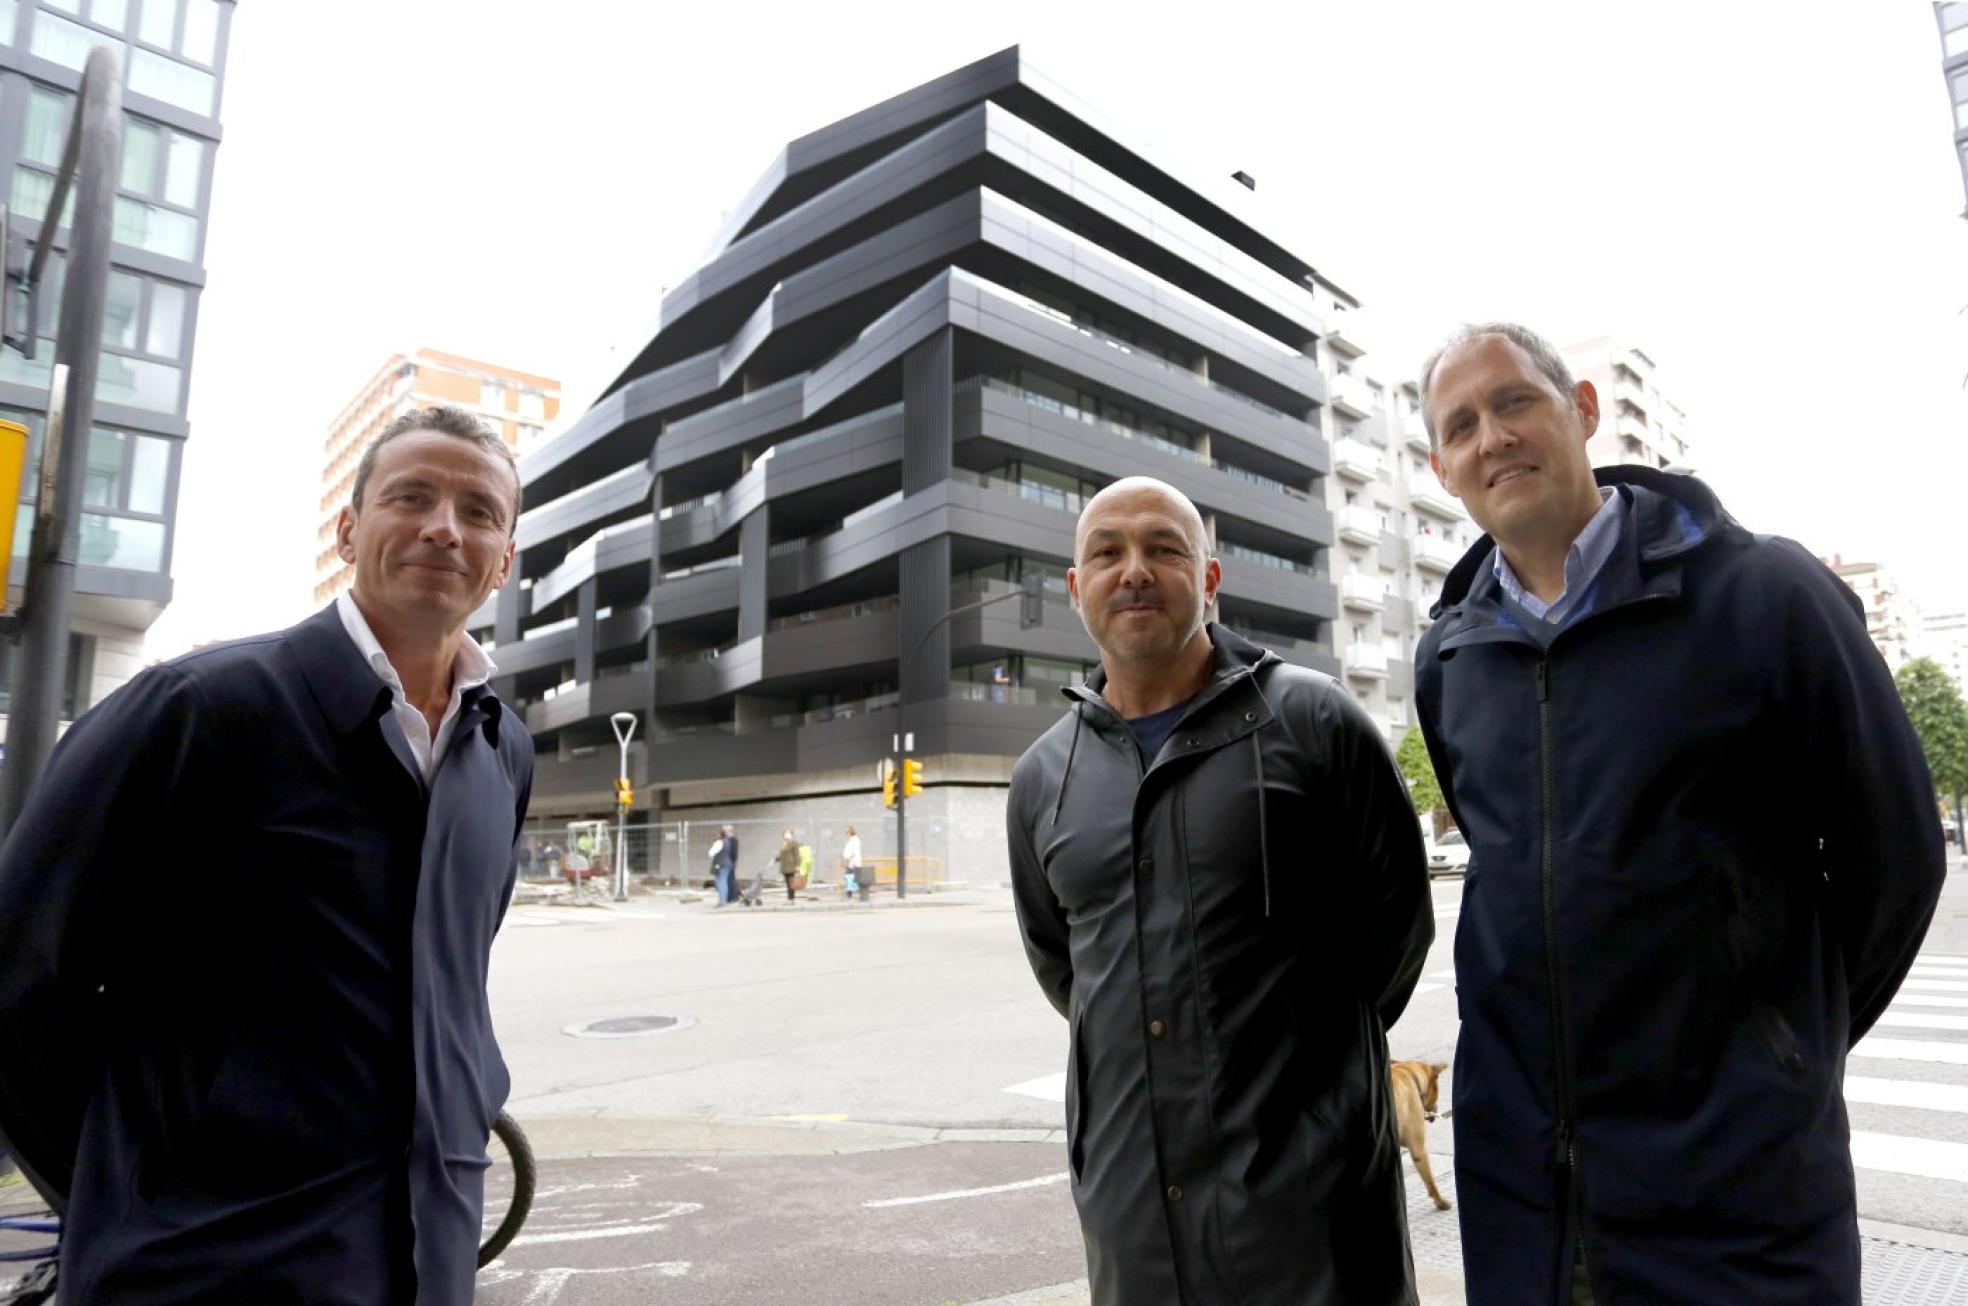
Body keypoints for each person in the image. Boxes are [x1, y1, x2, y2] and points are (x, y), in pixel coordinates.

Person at [1412, 324, 1947, 1306]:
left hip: (1737, 1195)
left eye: (1514, 401)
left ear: (1580, 408)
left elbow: (1899, 858)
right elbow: (1506, 872)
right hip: (1524, 1198)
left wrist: (1778, 1054)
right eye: (1462, 424)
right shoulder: (1447, 661)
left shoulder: (1766, 594)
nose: (1493, 436)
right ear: (1441, 467)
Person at [0, 405, 533, 1305]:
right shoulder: (195, 710)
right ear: (348, 526)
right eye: (413, 496)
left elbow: (454, 988)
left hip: (425, 1264)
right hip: (199, 1272)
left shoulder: (502, 750)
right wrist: (133, 1205)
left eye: (479, 512)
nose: (446, 527)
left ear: (505, 558)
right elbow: (17, 989)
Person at [1007, 475, 1433, 1306]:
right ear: (1075, 589)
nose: (1134, 570)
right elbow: (1070, 977)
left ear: (1208, 578)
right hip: (1136, 1228)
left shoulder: (1315, 724)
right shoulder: (1041, 780)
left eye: (1164, 549)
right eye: (1107, 553)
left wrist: (1306, 1097)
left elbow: (1393, 942)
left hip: (1315, 1223)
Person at [711, 824, 741, 907]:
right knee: (727, 880)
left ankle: (733, 897)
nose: (723, 831)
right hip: (728, 862)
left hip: (729, 862)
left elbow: (733, 852)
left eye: (724, 830)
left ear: (728, 831)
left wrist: (733, 862)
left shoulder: (733, 839)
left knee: (730, 880)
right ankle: (728, 897)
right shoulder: (727, 839)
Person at [841, 825, 867, 901]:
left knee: (850, 878)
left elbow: (853, 852)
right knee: (852, 878)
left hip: (852, 862)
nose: (846, 833)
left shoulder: (854, 840)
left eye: (847, 831)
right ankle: (854, 893)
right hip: (851, 862)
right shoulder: (852, 840)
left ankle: (851, 894)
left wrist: (849, 860)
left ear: (850, 831)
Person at [776, 828, 801, 903]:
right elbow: (782, 854)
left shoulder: (794, 843)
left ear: (792, 834)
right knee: (787, 883)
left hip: (791, 866)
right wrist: (777, 859)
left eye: (789, 833)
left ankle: (791, 899)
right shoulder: (783, 843)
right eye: (785, 833)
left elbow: (797, 855)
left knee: (791, 883)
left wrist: (797, 866)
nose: (787, 835)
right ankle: (789, 898)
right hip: (784, 866)